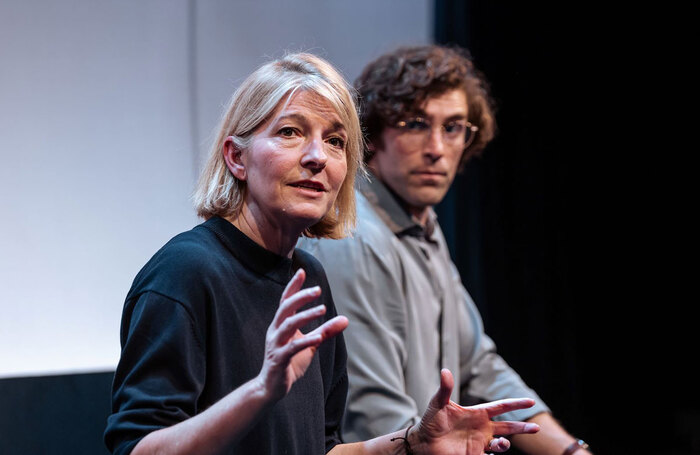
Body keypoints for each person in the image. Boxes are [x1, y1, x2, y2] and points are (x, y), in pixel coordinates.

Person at [104, 52, 540, 455]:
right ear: (237, 157)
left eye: (335, 141)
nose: (317, 157)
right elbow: (137, 449)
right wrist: (261, 390)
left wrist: (412, 443)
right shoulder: (186, 272)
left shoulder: (308, 276)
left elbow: (323, 449)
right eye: (291, 132)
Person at [298, 45, 592, 455]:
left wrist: (570, 451)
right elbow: (374, 414)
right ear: (372, 134)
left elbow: (480, 365)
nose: (437, 147)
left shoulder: (423, 226)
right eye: (416, 124)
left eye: (453, 127)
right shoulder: (355, 236)